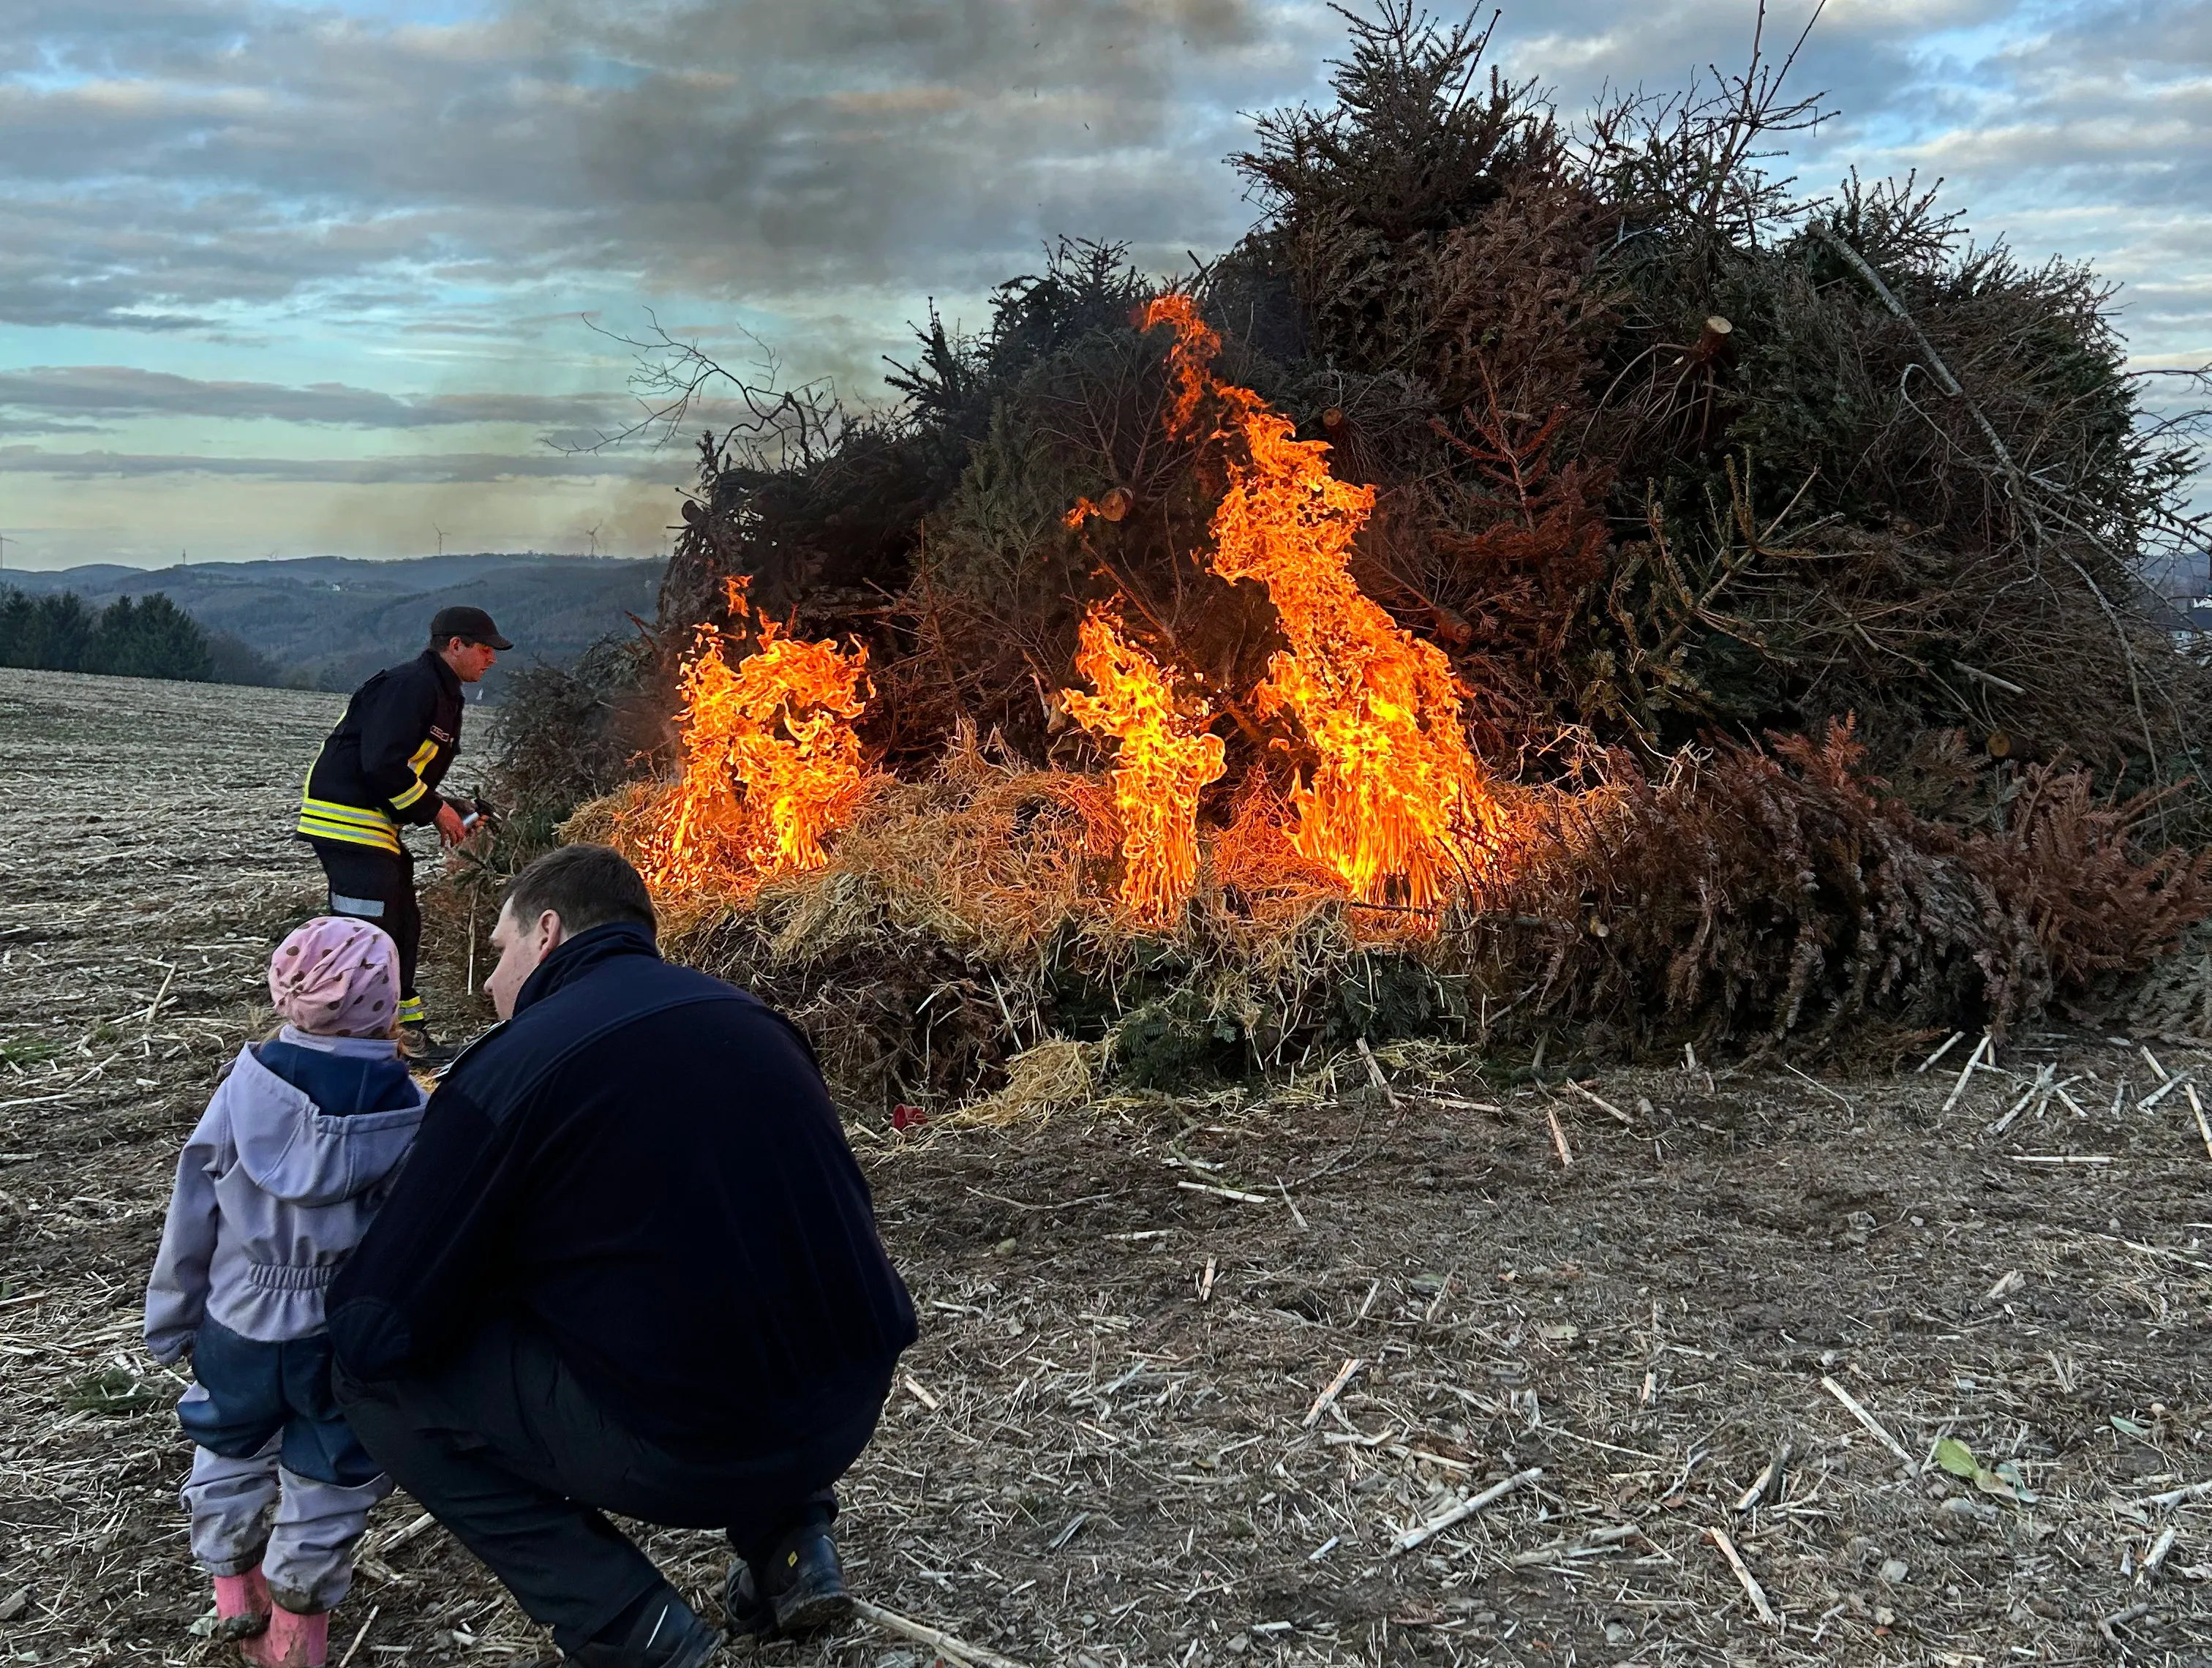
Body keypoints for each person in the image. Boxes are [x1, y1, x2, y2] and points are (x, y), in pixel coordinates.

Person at [328, 844, 917, 1668]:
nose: (493, 986)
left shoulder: (514, 1065)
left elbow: (376, 1322)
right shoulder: (754, 1022)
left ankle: (630, 1627)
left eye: (498, 955)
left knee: (370, 1381)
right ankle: (794, 1551)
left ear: (548, 931)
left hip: (688, 1447)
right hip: (847, 1410)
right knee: (734, 1252)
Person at [146, 918, 429, 1668]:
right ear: (388, 1002)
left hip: (237, 1319)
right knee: (331, 1469)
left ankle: (233, 1585)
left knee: (229, 1443)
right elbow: (413, 1238)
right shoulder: (411, 1111)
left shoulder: (246, 1092)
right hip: (338, 1331)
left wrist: (173, 1318)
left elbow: (192, 1213)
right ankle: (298, 1628)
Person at [296, 605, 511, 1062]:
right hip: (347, 823)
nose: (492, 660)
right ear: (456, 646)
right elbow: (380, 763)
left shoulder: (439, 690)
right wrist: (435, 810)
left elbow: (403, 770)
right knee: (365, 934)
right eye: (486, 649)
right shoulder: (411, 686)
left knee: (398, 927)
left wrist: (448, 806)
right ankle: (349, 1042)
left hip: (371, 826)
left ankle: (405, 1037)